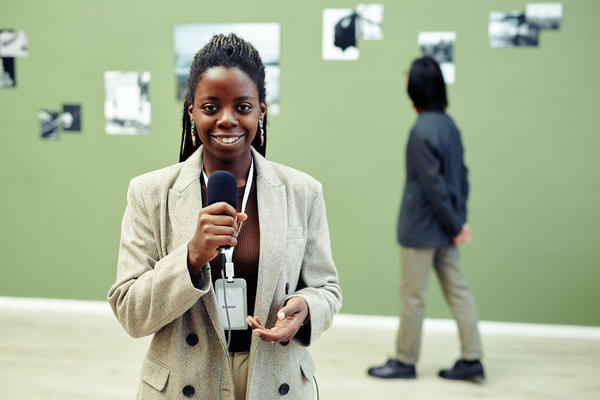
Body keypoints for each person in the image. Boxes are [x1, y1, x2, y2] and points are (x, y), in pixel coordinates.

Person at [108, 33, 341, 399]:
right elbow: (130, 313)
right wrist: (191, 257)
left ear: (261, 109)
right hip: (186, 380)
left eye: (243, 107)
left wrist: (305, 308)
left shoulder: (303, 191)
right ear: (191, 110)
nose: (227, 120)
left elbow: (327, 288)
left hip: (276, 380)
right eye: (212, 107)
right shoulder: (150, 193)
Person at [367, 56, 484, 382]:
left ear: (416, 89)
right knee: (459, 292)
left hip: (420, 231)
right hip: (447, 229)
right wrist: (458, 223)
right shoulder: (449, 124)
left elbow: (433, 188)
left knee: (413, 298)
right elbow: (461, 178)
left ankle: (405, 361)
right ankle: (473, 358)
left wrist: (454, 224)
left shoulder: (421, 131)